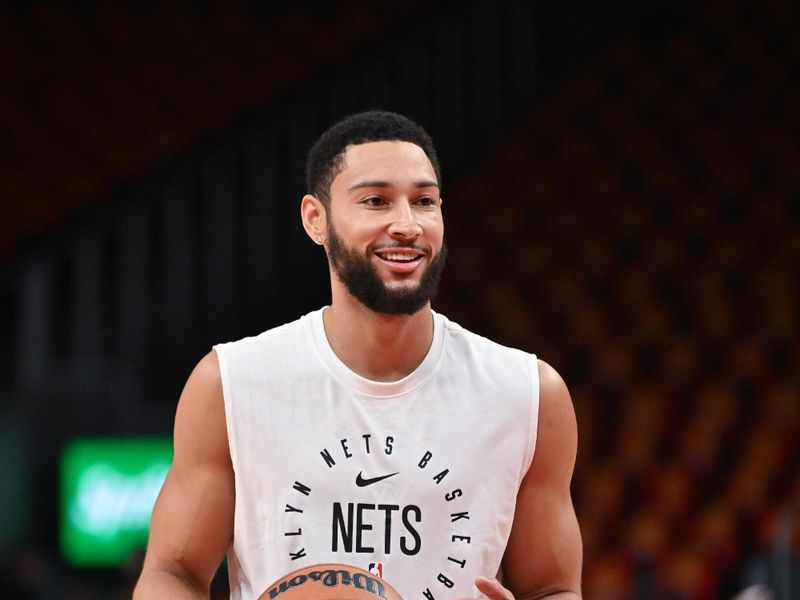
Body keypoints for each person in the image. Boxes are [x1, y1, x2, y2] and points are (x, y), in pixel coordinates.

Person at [134, 111, 582, 599]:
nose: (407, 225)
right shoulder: (230, 383)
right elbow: (173, 572)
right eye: (376, 201)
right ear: (316, 219)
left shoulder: (528, 392)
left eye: (424, 201)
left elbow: (554, 587)